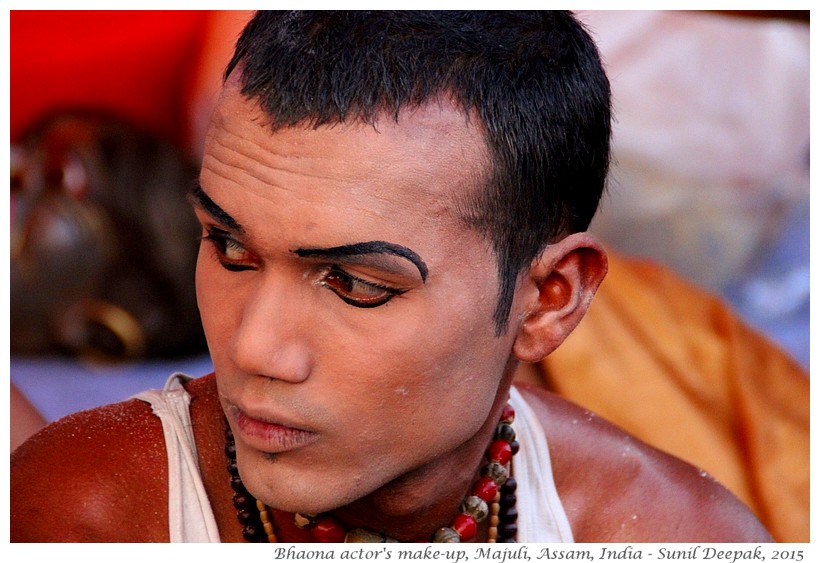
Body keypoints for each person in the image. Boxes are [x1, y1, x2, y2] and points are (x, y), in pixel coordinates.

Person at [10, 11, 772, 543]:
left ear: (550, 298)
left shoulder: (672, 531)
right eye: (230, 249)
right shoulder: (84, 514)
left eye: (356, 284)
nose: (255, 349)